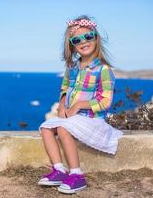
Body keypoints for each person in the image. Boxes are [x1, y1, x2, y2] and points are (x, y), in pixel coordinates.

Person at [37, 15, 123, 194]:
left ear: (96, 38)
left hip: (92, 119)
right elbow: (65, 87)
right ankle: (59, 170)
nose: (83, 41)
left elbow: (106, 101)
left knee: (62, 129)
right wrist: (62, 104)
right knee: (45, 128)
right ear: (72, 46)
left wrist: (79, 105)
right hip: (73, 118)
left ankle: (77, 175)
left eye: (88, 36)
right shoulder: (72, 68)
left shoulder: (103, 70)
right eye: (77, 39)